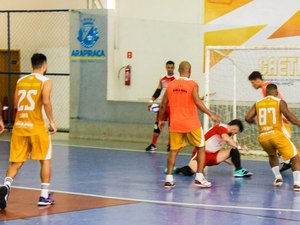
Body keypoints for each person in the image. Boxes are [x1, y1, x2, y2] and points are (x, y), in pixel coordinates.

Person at [0, 53, 57, 209]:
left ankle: (5, 186)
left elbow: (16, 104)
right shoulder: (46, 81)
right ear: (44, 66)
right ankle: (44, 196)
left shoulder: (21, 81)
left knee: (16, 163)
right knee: (45, 160)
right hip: (37, 127)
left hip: (20, 128)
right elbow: (45, 101)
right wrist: (52, 121)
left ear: (32, 65)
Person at [158, 61, 221, 189]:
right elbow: (197, 102)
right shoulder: (193, 84)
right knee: (201, 147)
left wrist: (161, 120)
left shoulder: (171, 85)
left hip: (175, 124)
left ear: (179, 70)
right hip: (191, 123)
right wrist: (211, 114)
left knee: (173, 151)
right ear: (189, 70)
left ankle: (168, 179)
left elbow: (163, 104)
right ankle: (199, 177)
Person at [245, 84, 300, 191]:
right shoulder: (279, 102)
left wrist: (255, 122)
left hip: (263, 137)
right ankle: (297, 183)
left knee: (272, 155)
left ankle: (278, 178)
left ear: (266, 93)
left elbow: (247, 118)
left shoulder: (258, 103)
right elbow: (288, 116)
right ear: (276, 92)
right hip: (277, 135)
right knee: (295, 156)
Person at [175, 119, 253, 177]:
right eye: (236, 132)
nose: (234, 134)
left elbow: (216, 147)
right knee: (190, 171)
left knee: (233, 150)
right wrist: (240, 147)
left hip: (213, 156)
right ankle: (177, 170)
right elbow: (227, 139)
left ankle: (238, 170)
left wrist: (225, 160)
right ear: (234, 129)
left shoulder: (227, 133)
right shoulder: (221, 127)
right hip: (201, 154)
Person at [248, 71, 292, 172]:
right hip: (279, 117)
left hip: (280, 119)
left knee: (282, 141)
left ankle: (289, 162)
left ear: (258, 80)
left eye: (252, 82)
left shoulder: (265, 88)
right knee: (278, 141)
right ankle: (287, 161)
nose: (253, 85)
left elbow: (271, 104)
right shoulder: (267, 86)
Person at [146, 61, 176, 152]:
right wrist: (151, 100)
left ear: (174, 68)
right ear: (166, 67)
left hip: (172, 106)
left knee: (172, 126)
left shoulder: (177, 79)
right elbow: (158, 91)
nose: (170, 69)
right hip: (162, 105)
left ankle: (170, 145)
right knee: (157, 124)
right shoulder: (162, 78)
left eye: (171, 67)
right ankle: (153, 144)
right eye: (168, 67)